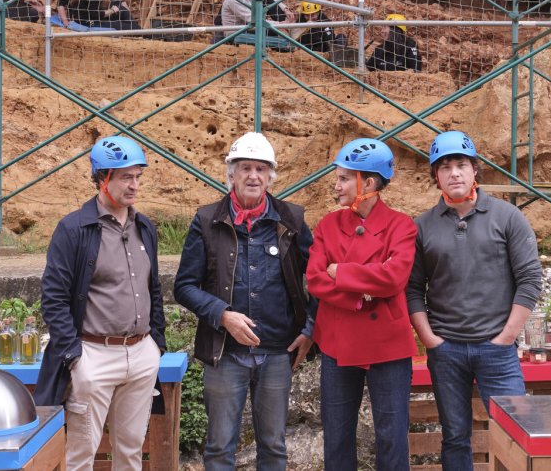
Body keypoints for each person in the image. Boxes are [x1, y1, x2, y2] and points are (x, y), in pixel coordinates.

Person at [173, 131, 316, 471]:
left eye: (261, 169)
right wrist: (223, 315)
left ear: (270, 176)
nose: (253, 176)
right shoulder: (207, 220)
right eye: (245, 168)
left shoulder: (292, 220)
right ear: (232, 174)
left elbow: (320, 279)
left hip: (278, 352)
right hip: (225, 353)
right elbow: (184, 286)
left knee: (274, 447)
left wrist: (310, 328)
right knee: (219, 447)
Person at [407, 131, 543, 471]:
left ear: (475, 170)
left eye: (461, 165)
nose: (454, 173)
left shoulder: (508, 217)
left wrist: (506, 337)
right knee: (455, 436)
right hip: (446, 351)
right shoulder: (422, 227)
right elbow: (412, 288)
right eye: (445, 167)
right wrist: (429, 339)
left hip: (497, 350)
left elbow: (530, 280)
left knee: (514, 433)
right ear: (436, 175)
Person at [36, 135, 166, 471]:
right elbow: (53, 297)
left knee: (131, 452)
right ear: (103, 178)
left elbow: (153, 287)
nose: (134, 185)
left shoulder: (144, 227)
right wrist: (74, 356)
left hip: (141, 353)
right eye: (126, 177)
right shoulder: (74, 229)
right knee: (81, 455)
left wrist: (156, 344)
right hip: (93, 354)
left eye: (138, 176)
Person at [306, 138, 417, 471]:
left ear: (367, 183)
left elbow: (394, 278)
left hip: (388, 346)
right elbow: (315, 279)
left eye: (343, 179)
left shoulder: (402, 225)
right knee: (337, 435)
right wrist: (362, 293)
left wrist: (340, 272)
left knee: (392, 435)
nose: (336, 186)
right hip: (337, 342)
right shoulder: (327, 225)